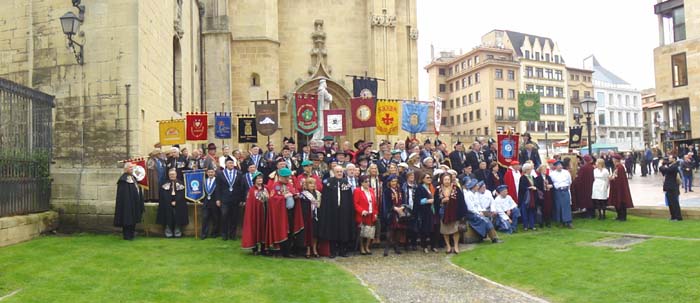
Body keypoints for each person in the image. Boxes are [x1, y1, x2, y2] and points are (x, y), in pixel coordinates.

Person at [318, 166, 356, 258]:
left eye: (341, 172)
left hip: (344, 211)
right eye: (337, 172)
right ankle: (333, 251)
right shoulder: (328, 183)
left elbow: (349, 199)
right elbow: (325, 199)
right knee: (332, 230)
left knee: (344, 230)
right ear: (334, 172)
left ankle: (343, 250)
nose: (339, 173)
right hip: (332, 211)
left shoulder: (346, 183)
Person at [464, 179, 503, 244]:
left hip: (477, 212)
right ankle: (494, 238)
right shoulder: (468, 195)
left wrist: (481, 211)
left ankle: (492, 235)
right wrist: (479, 213)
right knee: (486, 220)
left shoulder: (474, 193)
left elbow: (477, 205)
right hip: (471, 214)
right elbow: (471, 208)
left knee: (491, 215)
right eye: (476, 185)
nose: (478, 187)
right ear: (473, 187)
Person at [265, 167, 293, 255]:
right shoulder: (276, 186)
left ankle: (288, 251)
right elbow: (272, 199)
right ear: (280, 177)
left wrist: (294, 195)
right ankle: (280, 250)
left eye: (288, 177)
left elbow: (293, 191)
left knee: (289, 231)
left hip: (289, 212)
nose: (287, 179)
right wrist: (283, 198)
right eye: (286, 177)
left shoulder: (289, 185)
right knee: (281, 230)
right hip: (279, 213)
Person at [114, 162, 145, 240]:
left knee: (133, 219)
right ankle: (127, 235)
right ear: (125, 169)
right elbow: (123, 195)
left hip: (134, 202)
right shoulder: (123, 180)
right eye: (130, 167)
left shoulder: (133, 177)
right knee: (127, 219)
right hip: (127, 203)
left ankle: (132, 234)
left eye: (132, 167)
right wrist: (128, 203)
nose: (132, 169)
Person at [436, 173, 466, 254]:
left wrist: (462, 213)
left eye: (448, 179)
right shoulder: (438, 189)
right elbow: (435, 202)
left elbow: (461, 201)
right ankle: (448, 246)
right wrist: (441, 201)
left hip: (454, 211)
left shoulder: (456, 188)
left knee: (455, 230)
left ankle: (456, 246)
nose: (447, 181)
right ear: (442, 180)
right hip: (443, 212)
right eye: (445, 179)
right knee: (445, 230)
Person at [241, 172, 268, 254]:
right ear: (254, 180)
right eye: (258, 178)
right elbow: (250, 204)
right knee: (255, 228)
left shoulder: (266, 188)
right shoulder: (252, 190)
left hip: (265, 212)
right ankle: (255, 248)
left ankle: (264, 248)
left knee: (264, 229)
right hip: (256, 214)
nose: (260, 180)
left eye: (261, 178)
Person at [217, 158, 244, 241]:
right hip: (224, 199)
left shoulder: (239, 173)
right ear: (225, 164)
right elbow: (218, 187)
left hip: (235, 199)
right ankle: (224, 234)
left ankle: (233, 235)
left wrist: (241, 199)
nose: (231, 165)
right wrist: (218, 199)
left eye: (232, 163)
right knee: (224, 216)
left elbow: (241, 187)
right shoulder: (221, 174)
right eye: (229, 163)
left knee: (234, 217)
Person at [157, 169, 188, 238]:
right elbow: (163, 195)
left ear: (176, 174)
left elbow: (182, 194)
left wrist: (176, 201)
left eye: (173, 174)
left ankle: (177, 232)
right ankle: (169, 232)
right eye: (170, 174)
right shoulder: (164, 184)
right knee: (168, 217)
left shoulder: (181, 183)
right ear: (168, 175)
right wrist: (170, 202)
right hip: (167, 204)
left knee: (178, 218)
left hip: (179, 204)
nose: (172, 176)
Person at [382, 174, 406, 256]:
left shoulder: (400, 190)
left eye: (395, 181)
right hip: (392, 212)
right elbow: (386, 203)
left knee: (398, 230)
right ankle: (387, 248)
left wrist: (402, 207)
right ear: (389, 182)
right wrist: (394, 208)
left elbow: (404, 200)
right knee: (390, 230)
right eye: (392, 181)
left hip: (400, 212)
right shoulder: (387, 191)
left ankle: (396, 246)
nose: (394, 183)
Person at [353, 175, 378, 255]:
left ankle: (367, 246)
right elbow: (355, 203)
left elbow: (375, 203)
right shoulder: (357, 191)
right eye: (365, 182)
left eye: (368, 182)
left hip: (371, 214)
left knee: (370, 232)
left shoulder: (371, 190)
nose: (367, 183)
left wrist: (375, 213)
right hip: (363, 214)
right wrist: (362, 211)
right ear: (361, 183)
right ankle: (361, 247)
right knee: (362, 232)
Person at [415, 172, 437, 253]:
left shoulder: (432, 187)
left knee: (434, 229)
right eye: (427, 178)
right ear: (423, 179)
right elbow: (418, 200)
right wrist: (428, 201)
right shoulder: (420, 188)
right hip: (424, 211)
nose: (429, 179)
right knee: (425, 229)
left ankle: (433, 246)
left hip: (433, 210)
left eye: (430, 177)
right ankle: (424, 246)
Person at [300, 177, 322, 258]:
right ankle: (308, 249)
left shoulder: (318, 194)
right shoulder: (303, 195)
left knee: (315, 233)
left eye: (313, 183)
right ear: (306, 185)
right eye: (310, 183)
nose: (312, 185)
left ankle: (315, 248)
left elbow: (320, 205)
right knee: (308, 233)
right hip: (307, 217)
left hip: (316, 216)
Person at [608, 154, 634, 221]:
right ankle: (619, 216)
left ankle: (622, 217)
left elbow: (619, 178)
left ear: (615, 160)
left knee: (621, 202)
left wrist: (612, 178)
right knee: (617, 202)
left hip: (619, 188)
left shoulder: (620, 167)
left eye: (613, 159)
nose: (612, 160)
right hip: (616, 187)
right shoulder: (617, 167)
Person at [549, 161, 573, 228]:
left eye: (561, 165)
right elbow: (552, 182)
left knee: (566, 206)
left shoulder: (566, 172)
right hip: (558, 191)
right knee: (558, 206)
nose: (560, 166)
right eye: (558, 165)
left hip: (565, 190)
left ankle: (568, 221)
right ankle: (560, 221)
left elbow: (570, 181)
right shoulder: (552, 174)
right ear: (555, 166)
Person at [660, 155, 683, 221]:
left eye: (670, 158)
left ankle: (678, 217)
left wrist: (662, 165)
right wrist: (663, 165)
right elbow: (663, 171)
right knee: (670, 203)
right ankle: (673, 216)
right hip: (668, 187)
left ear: (674, 159)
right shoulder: (670, 166)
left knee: (674, 202)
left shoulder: (675, 166)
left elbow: (666, 170)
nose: (669, 159)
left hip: (673, 187)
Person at [200, 167, 221, 239]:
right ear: (207, 173)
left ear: (214, 173)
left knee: (215, 219)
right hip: (206, 203)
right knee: (205, 218)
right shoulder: (204, 181)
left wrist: (218, 200)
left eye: (212, 172)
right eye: (209, 172)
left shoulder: (217, 181)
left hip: (215, 202)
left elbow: (219, 191)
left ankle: (214, 233)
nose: (210, 174)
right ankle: (204, 234)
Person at [401, 170, 419, 251]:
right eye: (410, 176)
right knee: (407, 227)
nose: (412, 178)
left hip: (415, 208)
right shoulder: (404, 186)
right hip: (406, 208)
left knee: (414, 227)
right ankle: (406, 244)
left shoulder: (416, 186)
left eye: (413, 176)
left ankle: (414, 243)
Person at [518, 163, 538, 231]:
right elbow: (521, 187)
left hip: (532, 197)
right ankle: (525, 226)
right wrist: (529, 187)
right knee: (525, 211)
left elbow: (536, 184)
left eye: (530, 169)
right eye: (529, 169)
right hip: (525, 197)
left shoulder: (532, 177)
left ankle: (532, 225)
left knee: (531, 211)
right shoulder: (522, 177)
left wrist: (535, 187)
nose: (530, 170)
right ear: (525, 170)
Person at [534, 164, 554, 228]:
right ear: (540, 170)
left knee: (548, 208)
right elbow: (537, 187)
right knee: (542, 208)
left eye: (545, 169)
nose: (545, 171)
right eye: (543, 169)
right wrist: (543, 186)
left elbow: (552, 184)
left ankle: (548, 222)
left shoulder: (548, 177)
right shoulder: (537, 178)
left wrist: (550, 186)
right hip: (542, 195)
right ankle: (541, 222)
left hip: (548, 194)